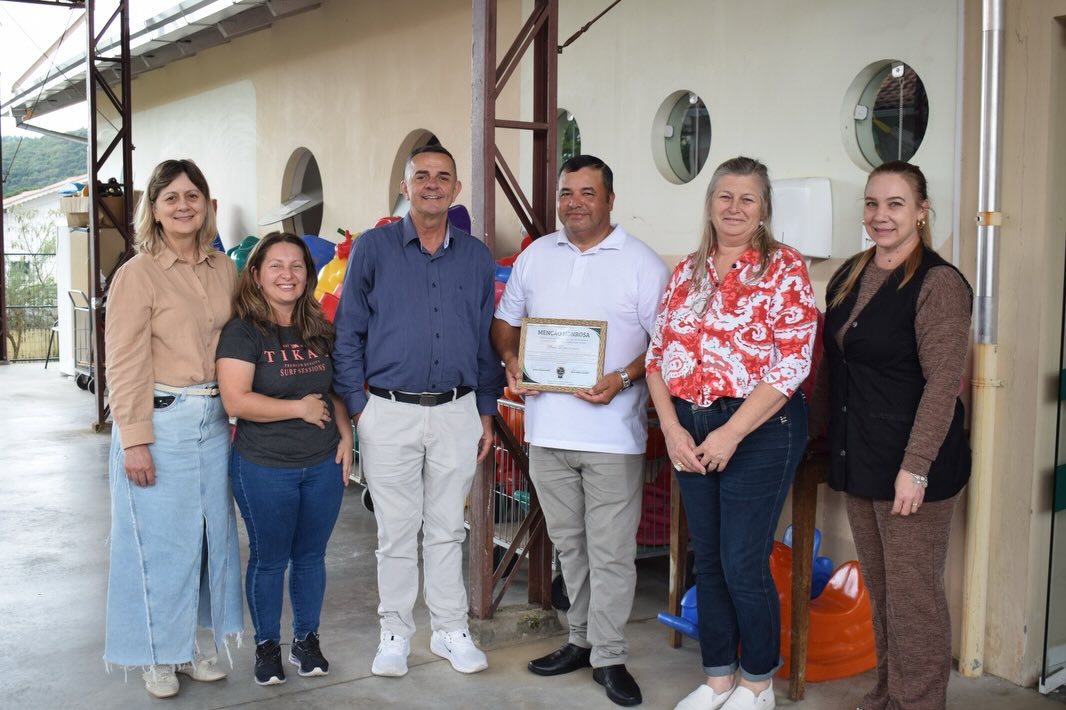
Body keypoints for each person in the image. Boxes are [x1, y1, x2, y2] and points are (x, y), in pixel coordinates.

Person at [491, 154, 668, 707]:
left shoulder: (642, 264)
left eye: (587, 192)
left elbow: (663, 345)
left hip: (613, 435)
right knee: (571, 547)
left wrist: (621, 377)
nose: (574, 202)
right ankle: (580, 641)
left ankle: (610, 657)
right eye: (567, 192)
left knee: (612, 552)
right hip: (548, 432)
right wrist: (512, 361)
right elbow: (506, 324)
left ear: (610, 199)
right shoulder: (537, 257)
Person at [645, 156, 818, 710]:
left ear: (764, 207)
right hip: (688, 427)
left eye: (747, 198)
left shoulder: (784, 268)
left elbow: (791, 365)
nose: (735, 208)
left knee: (744, 560)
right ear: (710, 204)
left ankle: (757, 682)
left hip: (760, 428)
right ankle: (717, 679)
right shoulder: (688, 271)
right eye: (725, 197)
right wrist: (671, 428)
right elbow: (655, 358)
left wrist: (732, 433)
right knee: (711, 558)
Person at [333, 145, 503, 678]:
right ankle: (395, 634)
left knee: (449, 527)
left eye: (443, 177)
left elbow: (483, 340)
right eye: (421, 176)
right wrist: (360, 409)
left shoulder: (475, 257)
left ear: (455, 190)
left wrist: (485, 409)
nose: (432, 184)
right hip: (388, 410)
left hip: (456, 411)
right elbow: (347, 333)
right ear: (405, 187)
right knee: (397, 531)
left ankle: (451, 631)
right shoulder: (373, 248)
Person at [822, 161, 971, 710]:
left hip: (915, 467)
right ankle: (888, 693)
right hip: (861, 458)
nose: (880, 216)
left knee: (915, 599)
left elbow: (942, 386)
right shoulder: (850, 274)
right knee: (883, 592)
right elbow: (835, 370)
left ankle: (920, 702)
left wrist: (916, 467)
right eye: (872, 204)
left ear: (921, 211)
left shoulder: (938, 284)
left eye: (895, 204)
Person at [103, 159, 243, 699]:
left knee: (208, 542)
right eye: (171, 198)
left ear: (207, 204)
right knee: (159, 543)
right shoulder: (137, 274)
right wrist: (134, 438)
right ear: (155, 210)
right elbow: (125, 360)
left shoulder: (223, 268)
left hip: (213, 420)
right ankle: (155, 656)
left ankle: (188, 646)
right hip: (160, 421)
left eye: (192, 196)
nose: (183, 205)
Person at [216, 232, 351, 686]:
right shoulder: (243, 330)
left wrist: (346, 433)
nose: (287, 274)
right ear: (255, 273)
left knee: (311, 556)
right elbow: (235, 400)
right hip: (264, 466)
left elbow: (332, 389)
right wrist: (297, 408)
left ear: (308, 275)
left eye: (296, 266)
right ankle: (267, 644)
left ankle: (306, 640)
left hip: (321, 464)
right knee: (270, 558)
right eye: (276, 265)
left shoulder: (317, 326)